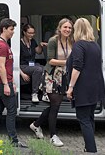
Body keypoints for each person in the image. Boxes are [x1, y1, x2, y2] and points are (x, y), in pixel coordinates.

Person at [30, 18, 73, 147]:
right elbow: (50, 61)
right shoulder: (53, 41)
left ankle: (36, 124)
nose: (67, 30)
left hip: (64, 76)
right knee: (55, 105)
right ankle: (53, 136)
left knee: (56, 105)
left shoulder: (71, 41)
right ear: (59, 28)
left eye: (70, 28)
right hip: (52, 76)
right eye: (65, 27)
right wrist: (67, 62)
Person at [66, 18, 105, 153]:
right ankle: (89, 146)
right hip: (95, 87)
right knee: (89, 118)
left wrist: (70, 87)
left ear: (77, 29)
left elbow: (77, 67)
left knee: (83, 119)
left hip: (83, 88)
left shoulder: (79, 45)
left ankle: (91, 149)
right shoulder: (95, 45)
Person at [0, 18, 26, 147]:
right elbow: (2, 66)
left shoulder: (3, 44)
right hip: (1, 83)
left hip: (1, 82)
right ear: (4, 29)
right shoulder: (2, 46)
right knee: (11, 111)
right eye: (11, 29)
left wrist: (12, 82)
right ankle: (13, 140)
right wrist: (6, 84)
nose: (13, 32)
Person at [20, 24, 46, 103]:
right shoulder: (19, 43)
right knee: (38, 69)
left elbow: (38, 52)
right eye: (29, 33)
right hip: (23, 66)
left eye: (33, 33)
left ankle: (45, 93)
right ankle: (34, 93)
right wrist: (21, 73)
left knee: (45, 68)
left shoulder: (33, 41)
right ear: (24, 32)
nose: (32, 35)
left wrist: (41, 46)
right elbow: (14, 61)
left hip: (32, 65)